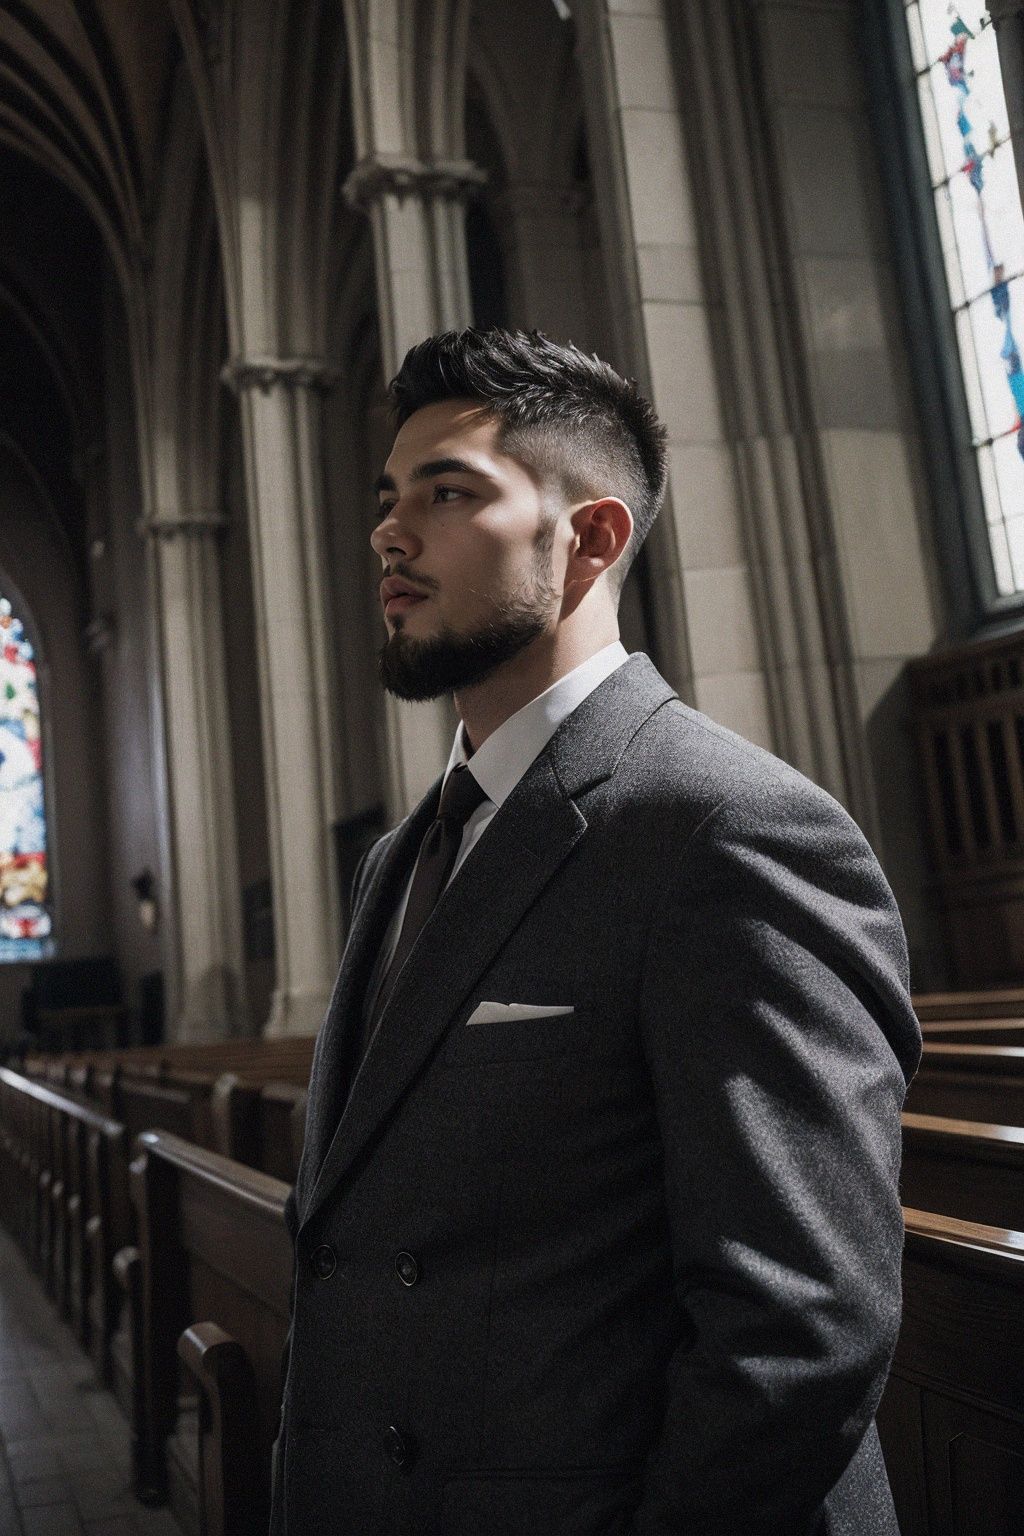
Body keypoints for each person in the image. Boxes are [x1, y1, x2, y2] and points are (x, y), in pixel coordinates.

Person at [270, 327, 921, 1536]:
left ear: (591, 539)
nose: (389, 533)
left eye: (449, 492)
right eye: (387, 498)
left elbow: (799, 1329)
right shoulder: (400, 857)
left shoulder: (730, 830)